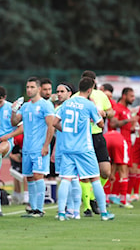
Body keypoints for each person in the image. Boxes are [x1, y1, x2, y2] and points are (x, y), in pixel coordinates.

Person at [54, 77, 115, 221]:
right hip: (84, 148)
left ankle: (62, 213)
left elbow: (55, 122)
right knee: (94, 178)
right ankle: (104, 213)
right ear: (90, 90)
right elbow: (100, 124)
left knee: (65, 179)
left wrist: (67, 131)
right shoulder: (88, 105)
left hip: (68, 147)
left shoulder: (66, 103)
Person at [11, 77, 55, 217]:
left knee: (38, 176)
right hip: (27, 149)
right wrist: (13, 110)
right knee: (29, 177)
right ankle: (33, 207)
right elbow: (14, 122)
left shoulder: (45, 105)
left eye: (32, 87)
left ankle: (39, 209)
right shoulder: (25, 106)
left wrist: (46, 145)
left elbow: (51, 126)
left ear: (38, 89)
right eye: (27, 87)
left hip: (39, 148)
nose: (29, 90)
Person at [73, 70, 114, 217]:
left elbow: (111, 112)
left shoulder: (100, 95)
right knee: (85, 174)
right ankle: (87, 207)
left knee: (105, 171)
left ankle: (91, 198)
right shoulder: (76, 97)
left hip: (97, 136)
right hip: (83, 137)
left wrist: (105, 113)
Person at [51, 82, 82, 219]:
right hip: (63, 148)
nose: (59, 94)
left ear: (70, 93)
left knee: (71, 179)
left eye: (62, 91)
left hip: (71, 148)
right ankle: (73, 210)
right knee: (69, 179)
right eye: (57, 91)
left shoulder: (66, 109)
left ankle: (72, 209)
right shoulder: (60, 109)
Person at [108, 87, 137, 203]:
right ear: (124, 96)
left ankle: (114, 195)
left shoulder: (127, 110)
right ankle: (122, 199)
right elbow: (114, 123)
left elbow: (125, 127)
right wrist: (129, 121)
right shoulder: (117, 108)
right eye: (131, 96)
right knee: (120, 170)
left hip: (126, 142)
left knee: (117, 169)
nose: (133, 99)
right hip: (119, 142)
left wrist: (132, 128)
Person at [0, 85, 15, 216]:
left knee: (0, 149)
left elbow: (21, 127)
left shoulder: (11, 108)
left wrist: (9, 135)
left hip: (5, 143)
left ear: (4, 98)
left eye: (0, 102)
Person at [103, 130, 134, 208]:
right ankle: (123, 200)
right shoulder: (123, 136)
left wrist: (111, 174)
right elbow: (117, 161)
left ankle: (105, 199)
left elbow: (113, 162)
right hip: (119, 140)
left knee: (104, 169)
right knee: (123, 171)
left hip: (105, 139)